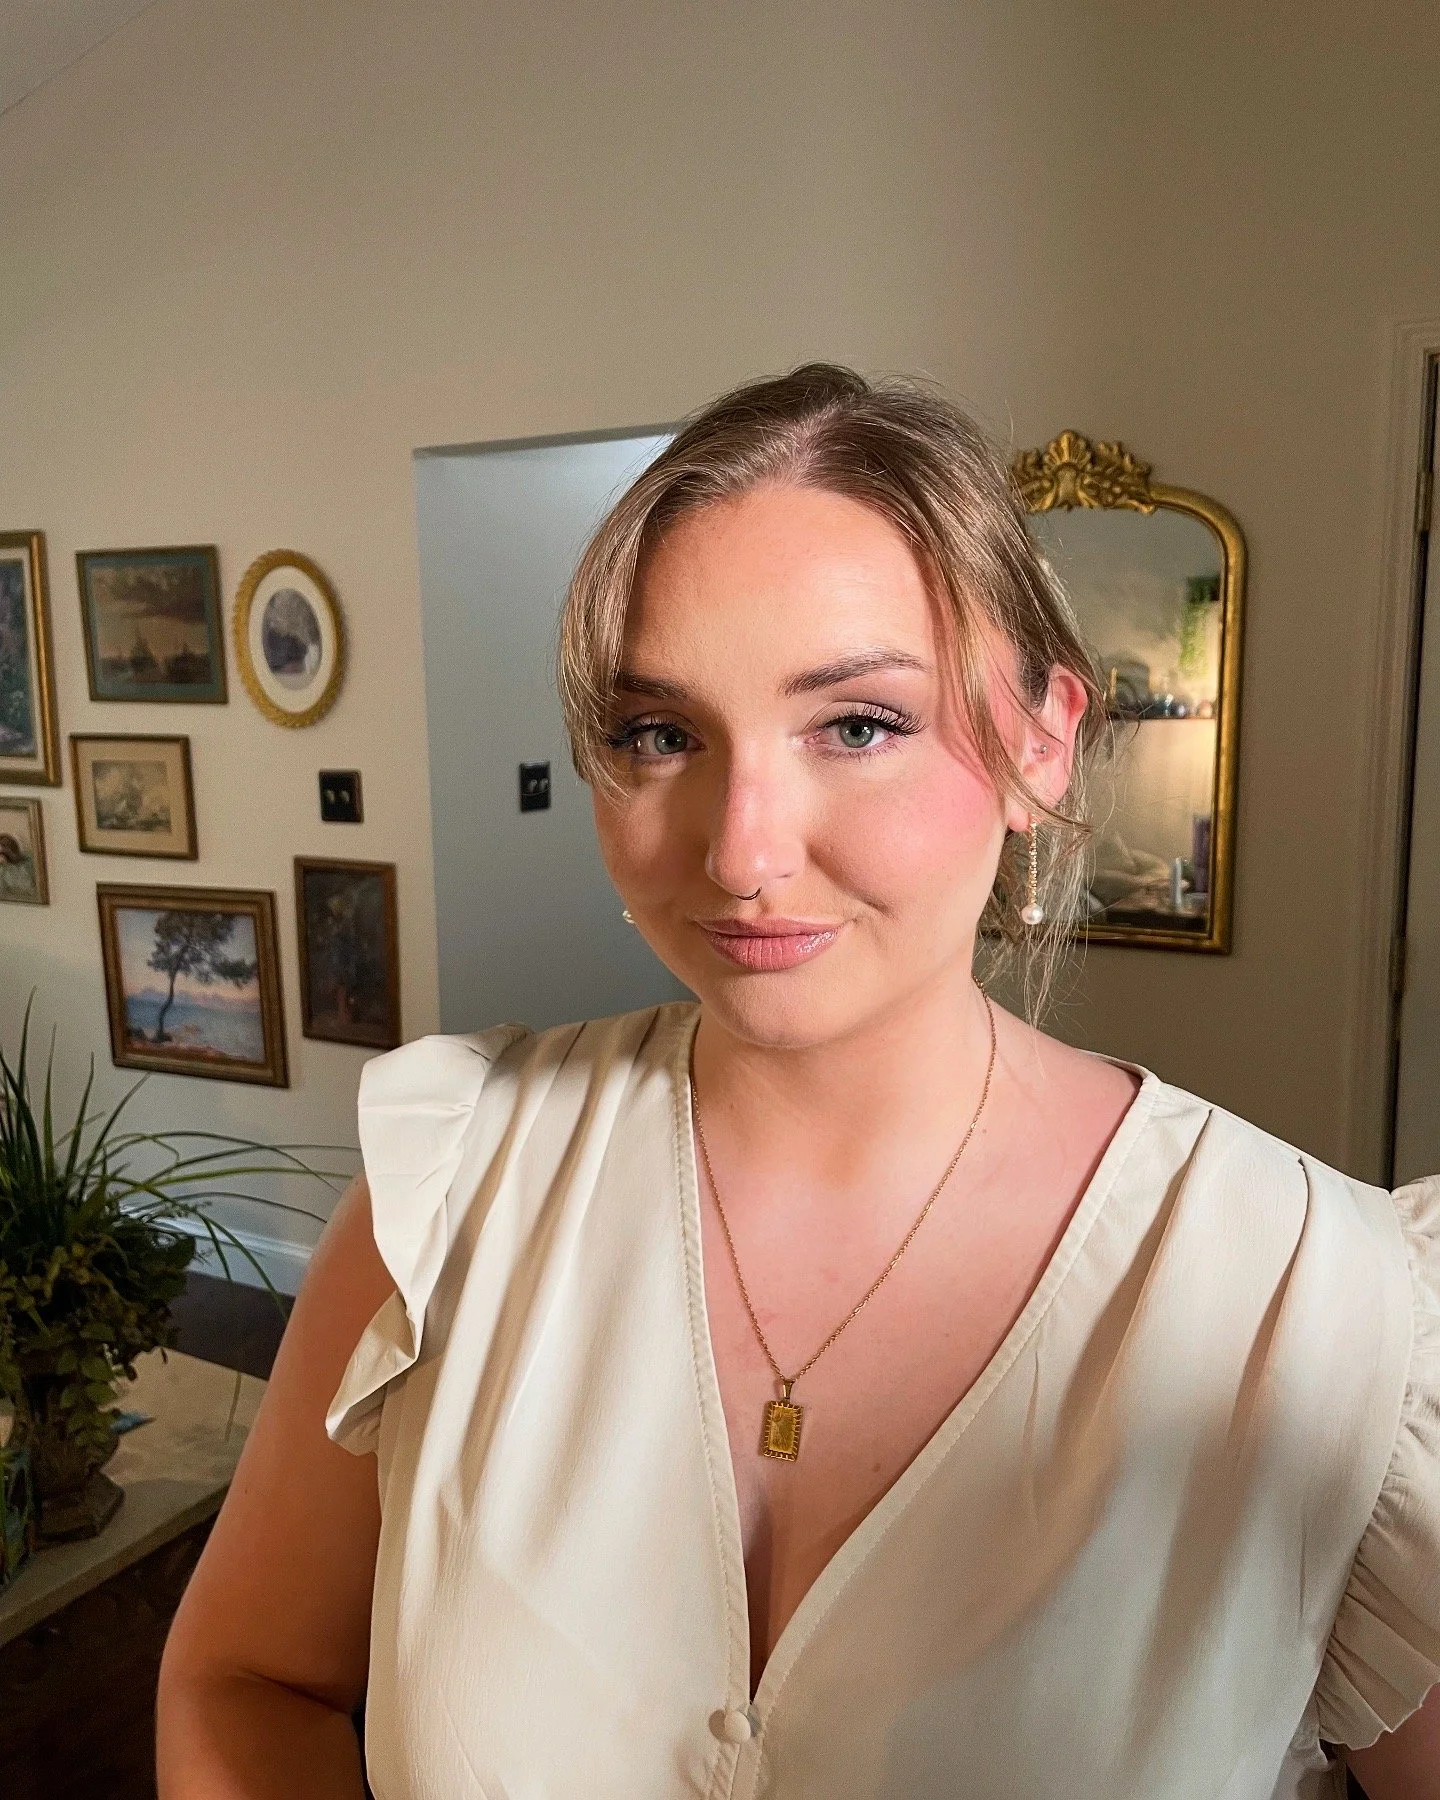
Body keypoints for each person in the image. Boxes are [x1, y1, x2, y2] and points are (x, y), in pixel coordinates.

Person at [156, 365, 1440, 1799]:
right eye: (662, 736)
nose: (741, 852)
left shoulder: (1334, 1316)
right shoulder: (446, 1195)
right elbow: (247, 1681)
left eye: (858, 725)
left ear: (1040, 740)